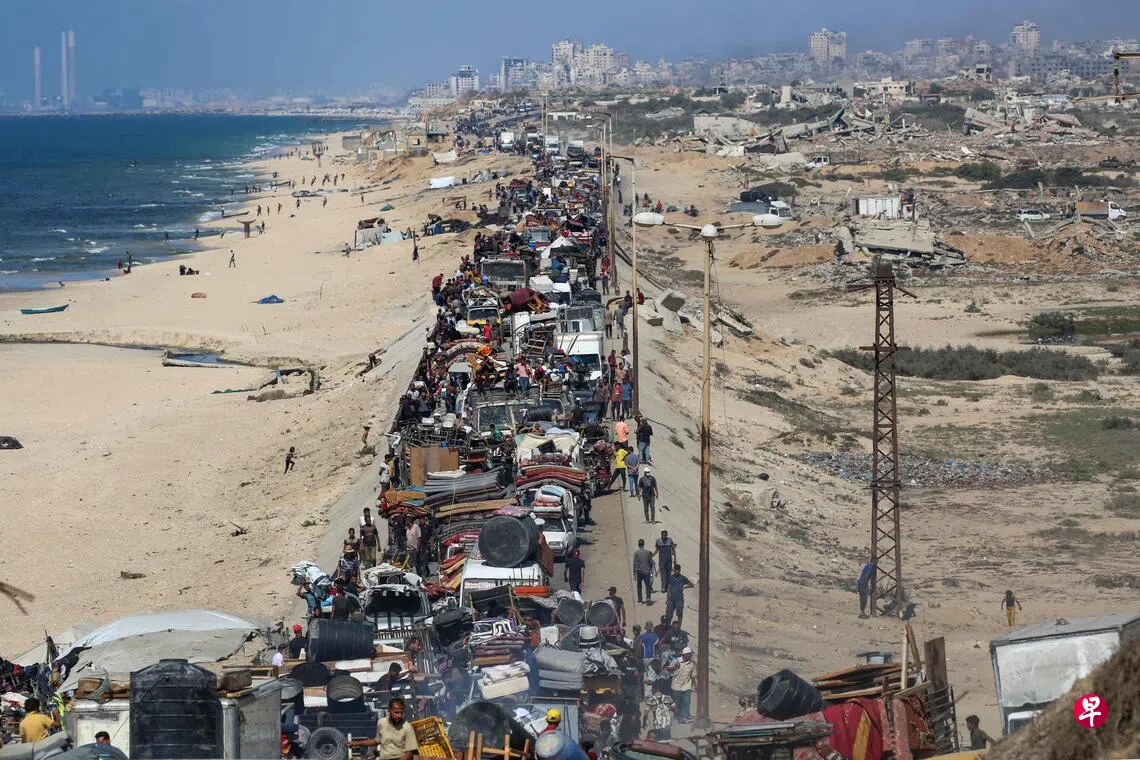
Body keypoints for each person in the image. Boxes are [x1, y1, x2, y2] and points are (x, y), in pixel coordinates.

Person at [350, 697, 419, 760]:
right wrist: (357, 743)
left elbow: (409, 754)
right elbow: (376, 740)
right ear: (389, 710)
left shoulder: (407, 727)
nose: (399, 715)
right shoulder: (381, 723)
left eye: (402, 713)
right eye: (396, 713)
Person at [669, 648, 696, 723]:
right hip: (676, 686)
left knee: (686, 702)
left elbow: (693, 676)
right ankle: (677, 717)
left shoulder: (691, 663)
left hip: (687, 686)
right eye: (689, 654)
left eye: (691, 654)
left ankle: (684, 717)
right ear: (684, 654)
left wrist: (695, 685)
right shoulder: (676, 661)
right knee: (677, 704)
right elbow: (668, 668)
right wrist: (674, 667)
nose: (690, 656)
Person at [633, 539, 654, 604]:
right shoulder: (647, 552)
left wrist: (634, 573)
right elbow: (650, 562)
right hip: (646, 572)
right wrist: (650, 569)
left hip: (639, 572)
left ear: (638, 545)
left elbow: (634, 563)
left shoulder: (636, 553)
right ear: (643, 544)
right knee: (648, 586)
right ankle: (648, 598)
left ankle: (640, 600)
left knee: (639, 586)